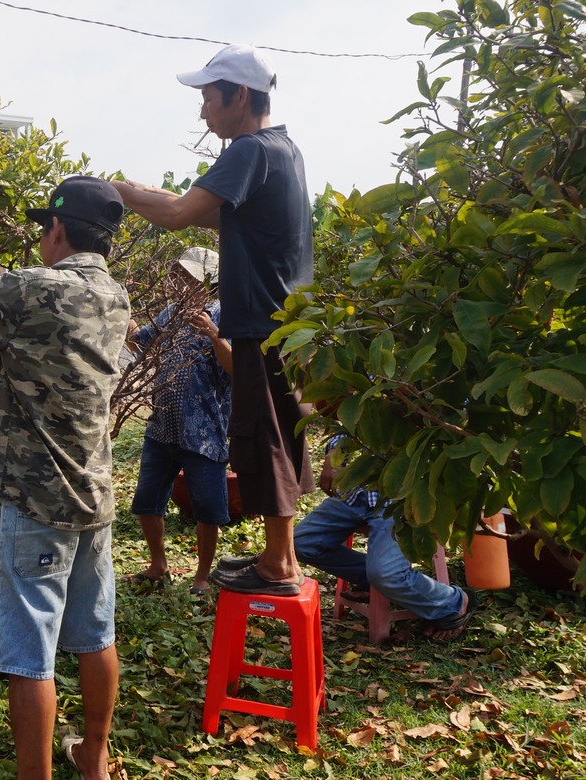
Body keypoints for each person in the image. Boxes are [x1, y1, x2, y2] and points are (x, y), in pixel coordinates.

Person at [0, 176, 131, 780]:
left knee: (28, 655)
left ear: (58, 229)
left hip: (34, 498)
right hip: (92, 490)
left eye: (45, 227)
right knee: (94, 633)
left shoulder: (31, 288)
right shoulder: (114, 296)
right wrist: (3, 284)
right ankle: (94, 758)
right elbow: (43, 318)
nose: (41, 236)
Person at [111, 44, 315, 596]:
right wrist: (146, 194)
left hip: (260, 323)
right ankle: (284, 554)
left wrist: (114, 193)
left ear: (239, 95)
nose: (203, 113)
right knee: (280, 432)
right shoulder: (284, 150)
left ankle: (278, 564)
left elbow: (179, 215)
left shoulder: (249, 149)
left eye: (208, 99)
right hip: (290, 322)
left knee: (263, 436)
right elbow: (208, 218)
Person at [125, 247, 233, 596]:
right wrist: (121, 307)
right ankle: (158, 566)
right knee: (146, 501)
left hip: (202, 432)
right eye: (180, 275)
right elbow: (137, 342)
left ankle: (202, 576)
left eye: (190, 277)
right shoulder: (172, 313)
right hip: (162, 426)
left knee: (208, 509)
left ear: (209, 281)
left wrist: (213, 335)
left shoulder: (224, 316)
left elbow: (237, 372)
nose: (181, 283)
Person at [295, 437, 477, 640]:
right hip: (358, 492)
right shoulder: (374, 404)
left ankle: (455, 602)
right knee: (300, 544)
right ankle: (372, 582)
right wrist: (333, 453)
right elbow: (350, 427)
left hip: (401, 500)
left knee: (387, 575)